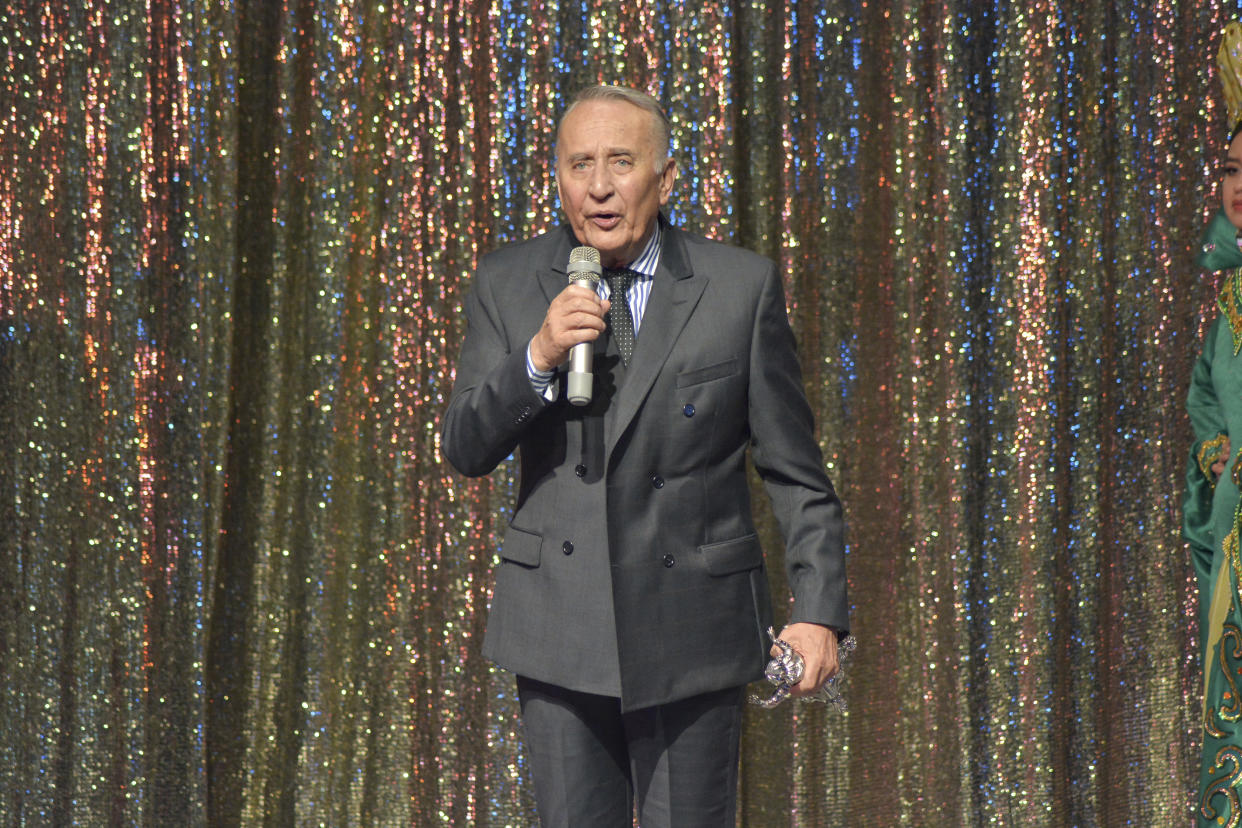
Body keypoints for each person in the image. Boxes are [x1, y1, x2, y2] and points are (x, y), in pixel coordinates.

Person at [441, 84, 849, 827]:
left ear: (666, 178)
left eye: (621, 162)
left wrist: (819, 611)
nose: (598, 185)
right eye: (579, 164)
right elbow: (465, 446)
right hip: (560, 630)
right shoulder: (507, 283)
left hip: (693, 627)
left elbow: (796, 472)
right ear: (557, 177)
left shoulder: (738, 288)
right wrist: (538, 354)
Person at [1186, 95, 1242, 826]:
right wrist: (1218, 453)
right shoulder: (1230, 301)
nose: (1239, 186)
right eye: (1232, 168)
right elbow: (1206, 399)